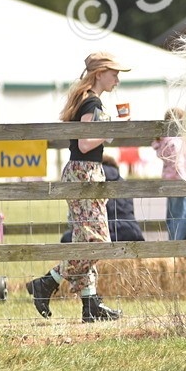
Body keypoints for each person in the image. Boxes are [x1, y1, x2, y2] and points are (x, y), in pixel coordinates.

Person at [26, 52, 126, 323]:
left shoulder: (85, 99)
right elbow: (84, 143)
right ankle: (47, 282)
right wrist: (110, 130)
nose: (117, 80)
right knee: (97, 242)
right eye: (114, 74)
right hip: (85, 172)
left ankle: (90, 304)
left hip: (81, 171)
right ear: (99, 74)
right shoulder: (92, 102)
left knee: (85, 240)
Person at [58, 155, 144, 243]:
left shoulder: (90, 181)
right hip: (130, 231)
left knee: (67, 238)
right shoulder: (124, 183)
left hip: (101, 230)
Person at [152, 107, 186, 241]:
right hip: (182, 182)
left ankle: (175, 242)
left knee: (174, 215)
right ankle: (178, 244)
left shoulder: (166, 140)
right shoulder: (175, 141)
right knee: (183, 216)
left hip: (172, 181)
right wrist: (185, 181)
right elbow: (178, 162)